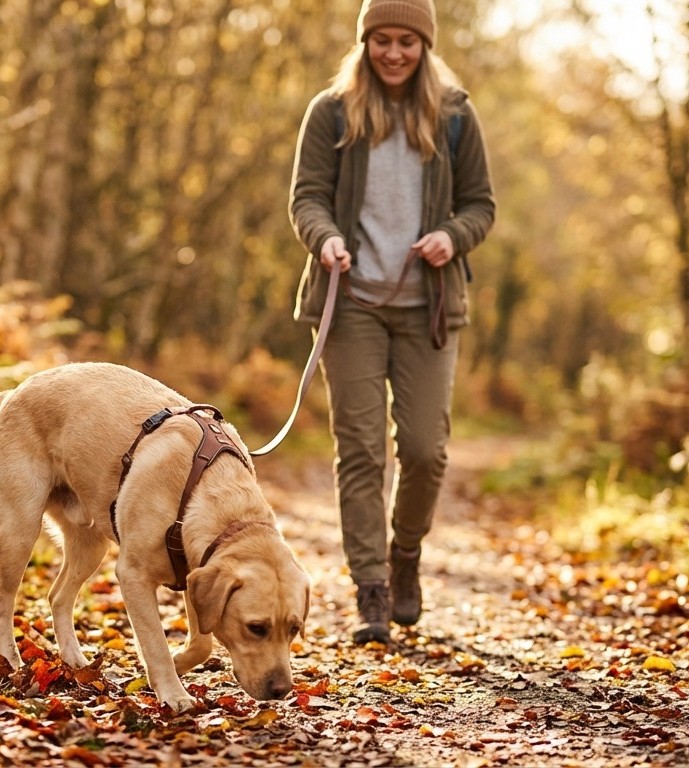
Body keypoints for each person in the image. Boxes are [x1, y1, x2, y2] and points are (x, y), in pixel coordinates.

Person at [288, 0, 495, 644]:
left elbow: (481, 205)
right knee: (360, 451)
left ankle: (406, 554)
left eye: (408, 41)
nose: (395, 53)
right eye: (383, 40)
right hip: (349, 304)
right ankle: (371, 589)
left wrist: (451, 236)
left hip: (428, 310)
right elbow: (307, 197)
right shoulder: (332, 112)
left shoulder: (455, 116)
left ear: (425, 45)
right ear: (366, 42)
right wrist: (323, 238)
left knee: (427, 451)